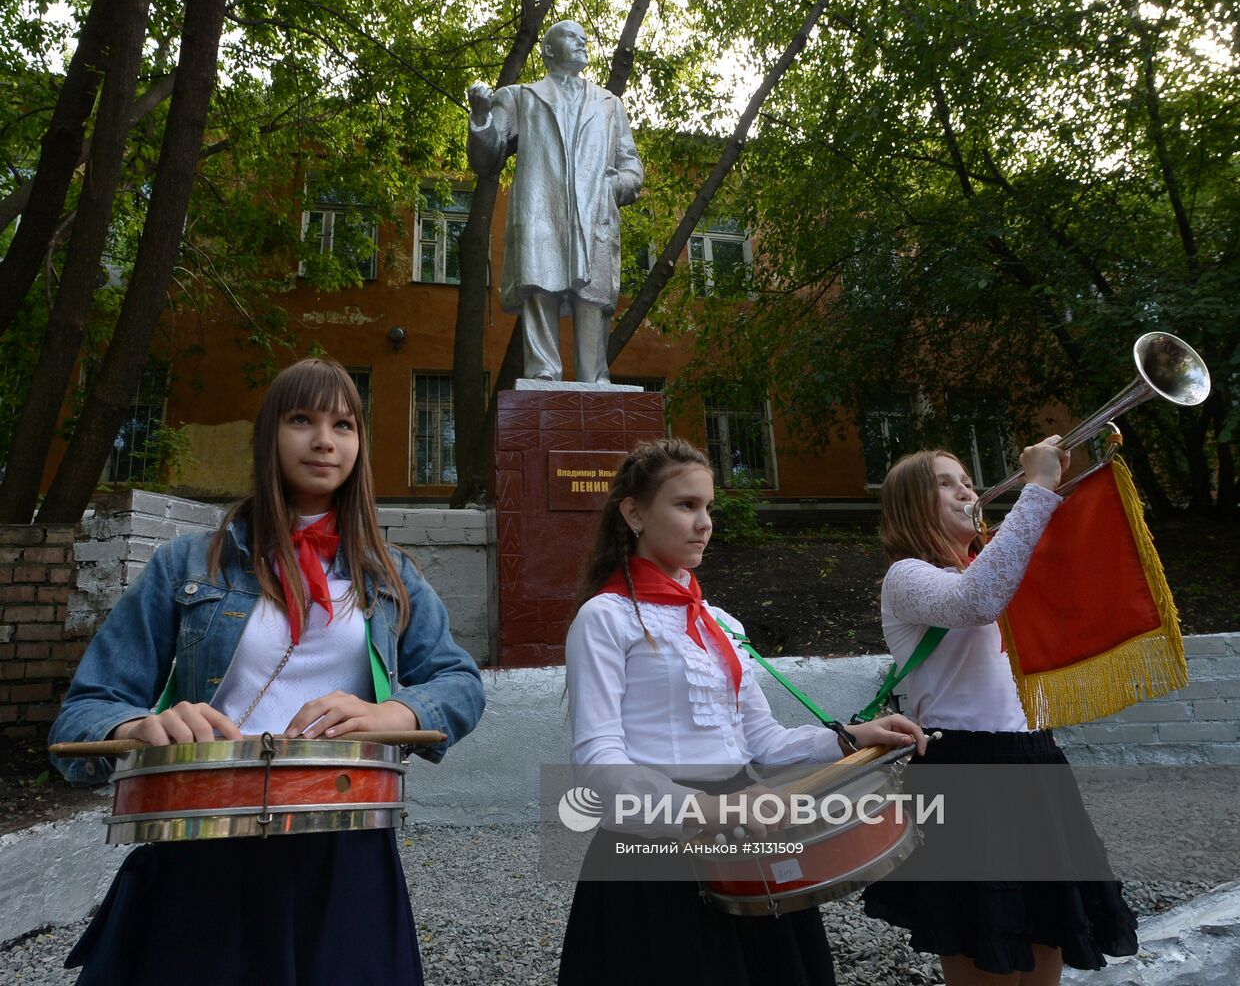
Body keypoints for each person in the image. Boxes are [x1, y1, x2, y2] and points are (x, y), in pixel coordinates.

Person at [48, 358, 485, 986]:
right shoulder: (187, 564)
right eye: (301, 419)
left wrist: (397, 713)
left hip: (344, 841)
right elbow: (85, 709)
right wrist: (139, 727)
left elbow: (459, 682)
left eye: (344, 424)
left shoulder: (390, 576)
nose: (325, 441)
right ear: (268, 435)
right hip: (206, 832)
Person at [559, 438, 928, 986]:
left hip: (744, 832)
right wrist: (709, 808)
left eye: (708, 507)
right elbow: (597, 761)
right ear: (634, 513)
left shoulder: (720, 622)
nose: (704, 522)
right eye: (685, 505)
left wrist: (850, 736)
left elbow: (762, 741)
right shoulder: (605, 618)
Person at [860, 440, 1138, 985]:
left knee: (1045, 934)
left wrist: (1066, 484)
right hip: (964, 767)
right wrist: (1035, 489)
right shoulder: (907, 576)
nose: (966, 488)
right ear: (911, 504)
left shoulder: (989, 564)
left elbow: (1061, 572)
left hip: (1033, 760)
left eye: (966, 478)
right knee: (986, 944)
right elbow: (975, 600)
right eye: (944, 482)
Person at [467, 20, 643, 384]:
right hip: (540, 209)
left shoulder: (610, 104)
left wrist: (613, 187)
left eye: (584, 35)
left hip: (593, 212)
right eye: (569, 35)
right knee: (540, 284)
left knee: (592, 297)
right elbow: (487, 160)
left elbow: (631, 168)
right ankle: (542, 374)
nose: (581, 40)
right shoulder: (519, 96)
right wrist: (482, 118)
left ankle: (595, 377)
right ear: (547, 51)